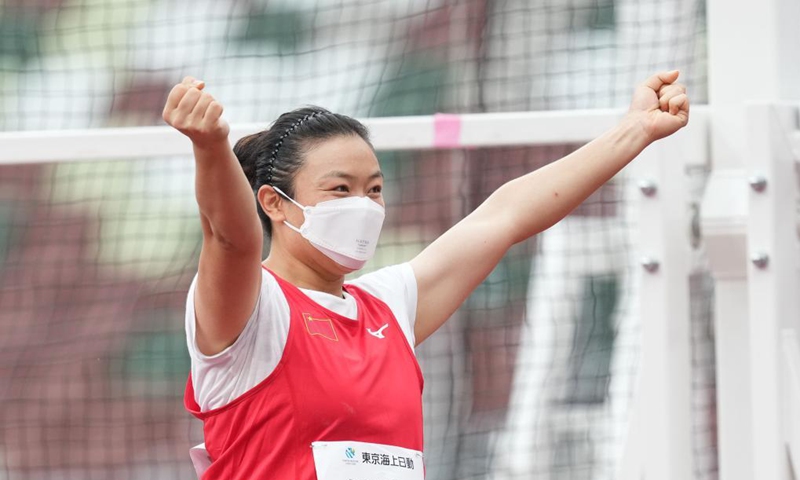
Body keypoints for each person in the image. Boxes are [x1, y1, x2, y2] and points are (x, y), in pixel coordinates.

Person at [162, 71, 689, 479]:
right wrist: (210, 148)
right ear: (276, 203)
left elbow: (504, 215)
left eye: (374, 189)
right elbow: (231, 238)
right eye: (340, 190)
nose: (364, 206)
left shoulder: (388, 305)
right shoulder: (252, 311)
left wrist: (634, 130)